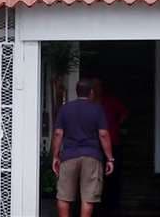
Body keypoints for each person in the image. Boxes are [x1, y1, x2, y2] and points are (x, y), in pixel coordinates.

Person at [52, 79, 115, 217]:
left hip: (68, 156)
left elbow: (58, 133)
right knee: (88, 197)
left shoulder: (65, 109)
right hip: (91, 156)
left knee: (63, 197)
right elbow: (103, 134)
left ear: (76, 92)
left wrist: (55, 156)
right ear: (91, 92)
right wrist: (110, 158)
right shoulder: (97, 109)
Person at [93, 79, 129, 213]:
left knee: (113, 176)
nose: (96, 89)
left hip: (112, 143)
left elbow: (125, 113)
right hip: (94, 146)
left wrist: (116, 124)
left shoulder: (110, 101)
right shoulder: (88, 104)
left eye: (98, 86)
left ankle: (112, 206)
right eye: (94, 86)